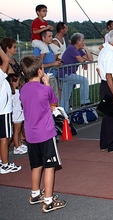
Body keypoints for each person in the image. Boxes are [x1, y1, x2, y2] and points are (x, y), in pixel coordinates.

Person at [19, 55, 67, 212]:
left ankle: (35, 194)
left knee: (36, 166)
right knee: (49, 167)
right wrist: (47, 84)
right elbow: (53, 102)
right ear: (40, 71)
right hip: (45, 134)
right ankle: (48, 200)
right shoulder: (45, 89)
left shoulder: (23, 90)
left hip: (31, 135)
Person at [0, 45, 22, 174]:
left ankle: (2, 161)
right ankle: (5, 164)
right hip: (3, 110)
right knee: (5, 138)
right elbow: (6, 60)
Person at [59, 33, 93, 111]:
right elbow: (80, 59)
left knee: (66, 95)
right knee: (84, 80)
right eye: (82, 40)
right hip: (66, 73)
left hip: (69, 73)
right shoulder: (71, 48)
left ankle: (64, 112)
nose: (84, 42)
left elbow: (90, 59)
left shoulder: (79, 50)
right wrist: (84, 62)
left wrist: (86, 49)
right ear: (77, 41)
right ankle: (84, 101)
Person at [33, 30, 63, 101]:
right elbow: (37, 65)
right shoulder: (38, 49)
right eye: (49, 36)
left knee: (55, 99)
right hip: (45, 78)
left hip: (53, 76)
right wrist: (53, 64)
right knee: (48, 99)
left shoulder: (51, 48)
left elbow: (52, 61)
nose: (51, 38)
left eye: (52, 36)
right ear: (43, 38)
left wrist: (57, 63)